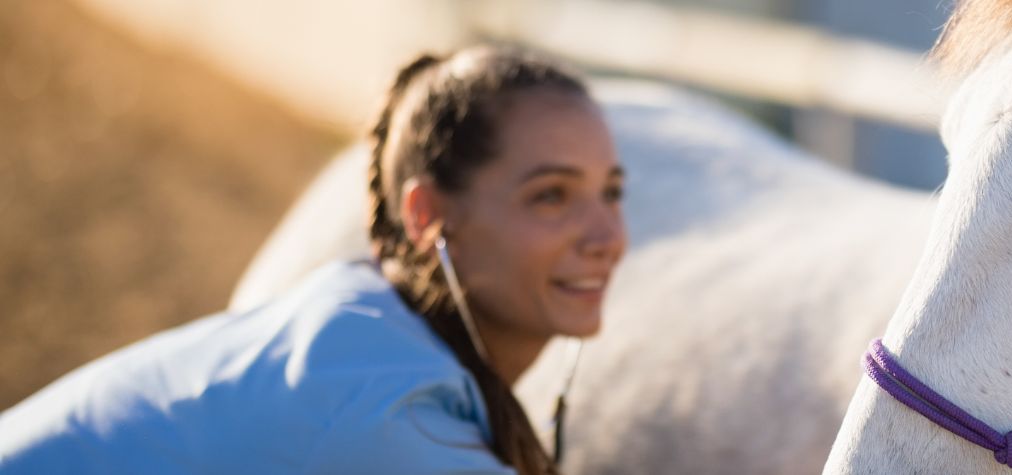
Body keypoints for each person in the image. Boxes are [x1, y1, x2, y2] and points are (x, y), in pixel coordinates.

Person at [0, 46, 626, 474]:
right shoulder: (387, 418)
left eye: (611, 192)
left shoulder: (363, 317)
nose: (607, 235)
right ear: (426, 215)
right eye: (550, 196)